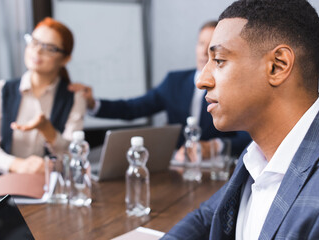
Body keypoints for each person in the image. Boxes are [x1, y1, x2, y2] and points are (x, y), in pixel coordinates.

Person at [162, 0, 319, 239]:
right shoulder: (258, 153)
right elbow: (206, 217)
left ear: (277, 66)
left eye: (219, 61)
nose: (202, 80)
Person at [69, 21, 251, 158]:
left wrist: (213, 147)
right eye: (201, 44)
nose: (204, 51)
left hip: (218, 170)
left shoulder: (233, 88)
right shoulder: (174, 82)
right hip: (179, 168)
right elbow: (133, 108)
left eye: (212, 46)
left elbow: (248, 137)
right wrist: (93, 104)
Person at [0, 17, 86, 185]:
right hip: (0, 187)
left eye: (49, 48)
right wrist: (19, 165)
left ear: (65, 59)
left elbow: (74, 157)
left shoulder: (75, 97)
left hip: (49, 189)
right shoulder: (1, 90)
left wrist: (49, 132)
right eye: (34, 42)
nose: (37, 51)